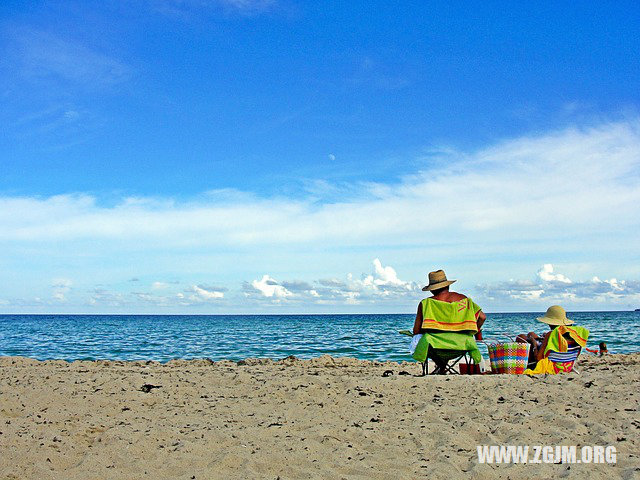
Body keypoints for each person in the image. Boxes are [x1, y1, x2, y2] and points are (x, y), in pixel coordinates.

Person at [412, 269, 486, 340]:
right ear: (447, 285)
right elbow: (482, 317)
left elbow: (416, 331)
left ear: (432, 289)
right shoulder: (465, 300)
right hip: (461, 344)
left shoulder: (426, 303)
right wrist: (472, 332)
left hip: (435, 345)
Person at [516, 305, 587, 365]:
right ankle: (536, 340)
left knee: (520, 337)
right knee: (531, 334)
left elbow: (538, 358)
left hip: (551, 365)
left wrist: (534, 343)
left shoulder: (551, 334)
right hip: (568, 363)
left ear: (549, 322)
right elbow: (576, 354)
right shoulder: (576, 334)